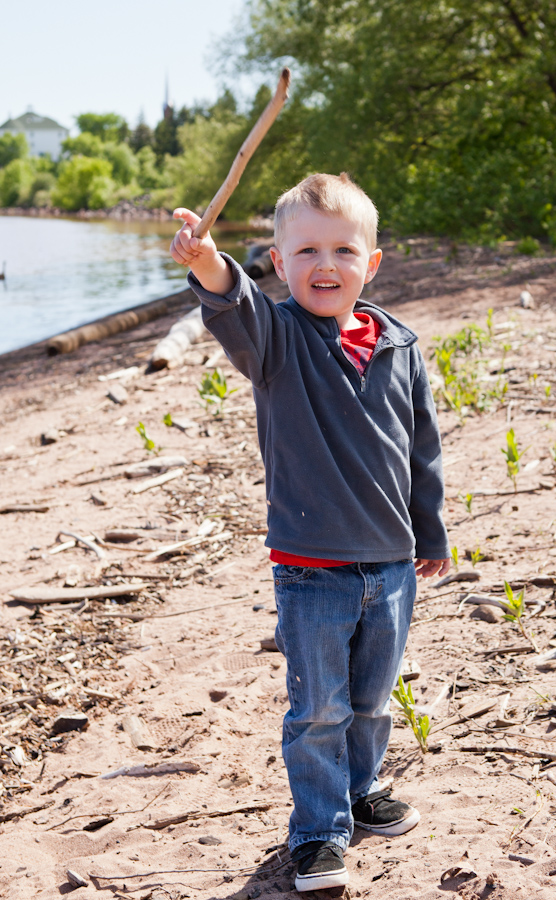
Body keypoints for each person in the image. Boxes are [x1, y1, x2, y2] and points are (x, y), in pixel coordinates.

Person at [170, 173, 450, 893]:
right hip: (312, 566)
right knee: (318, 707)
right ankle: (319, 831)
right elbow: (234, 305)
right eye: (306, 252)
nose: (325, 266)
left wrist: (431, 531)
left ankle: (360, 791)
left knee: (370, 700)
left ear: (372, 262)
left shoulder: (399, 344)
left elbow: (421, 446)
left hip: (390, 564)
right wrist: (206, 262)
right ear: (277, 259)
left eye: (343, 250)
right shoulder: (279, 341)